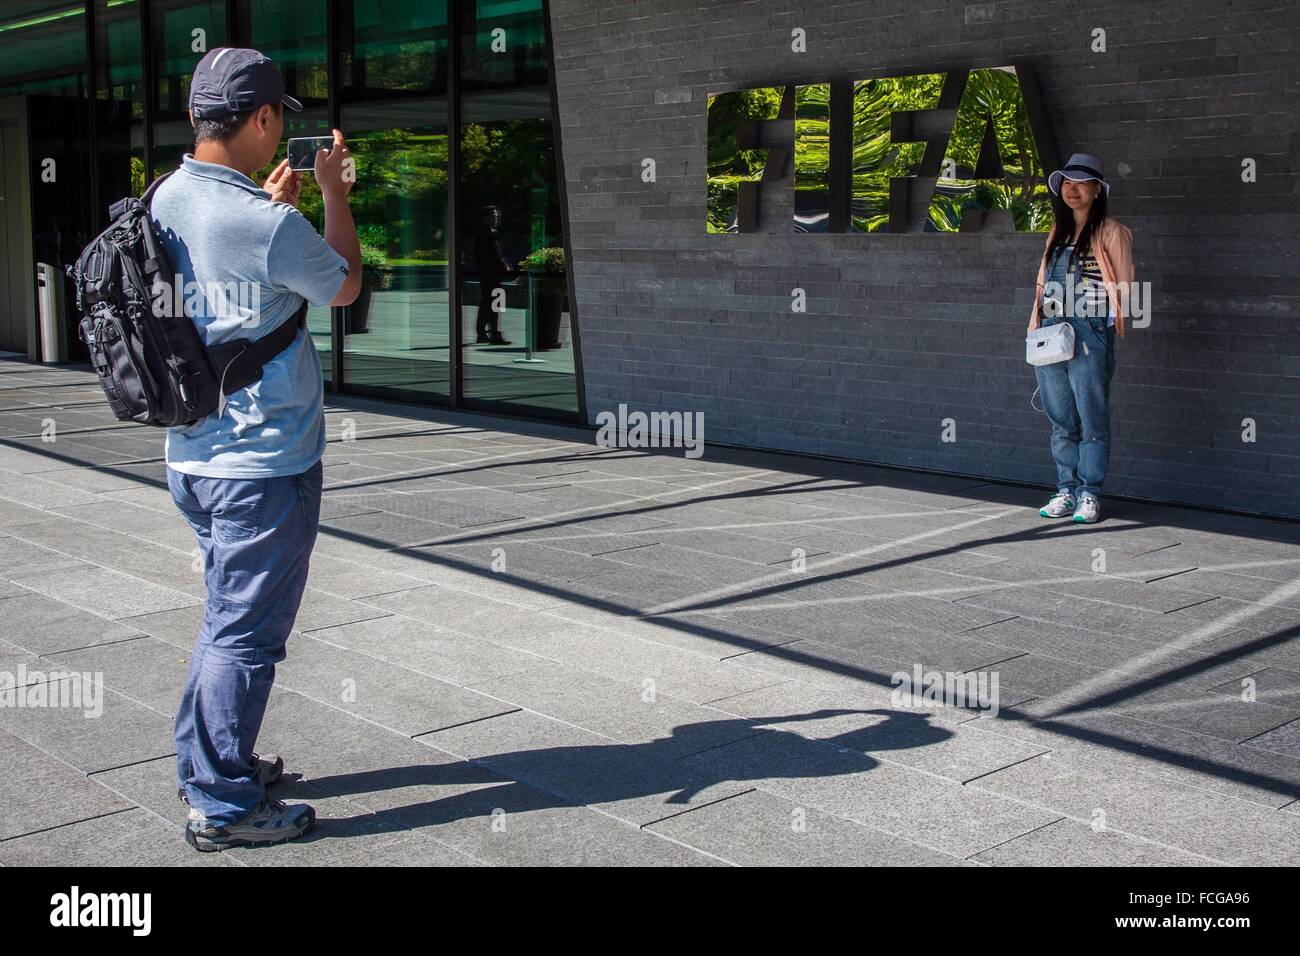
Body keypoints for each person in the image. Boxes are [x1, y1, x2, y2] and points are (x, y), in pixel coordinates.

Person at [149, 47, 361, 851]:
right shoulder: (263, 221)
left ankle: (212, 763)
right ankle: (222, 804)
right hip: (260, 464)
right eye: (281, 122)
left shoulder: (165, 198)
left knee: (223, 619)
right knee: (245, 635)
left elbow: (217, 285)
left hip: (190, 457)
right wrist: (334, 195)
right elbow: (344, 283)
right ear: (265, 118)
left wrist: (273, 210)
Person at [1027, 152, 1135, 525]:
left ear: (1096, 190)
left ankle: (1090, 493)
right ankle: (1066, 490)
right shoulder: (1056, 232)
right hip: (1051, 331)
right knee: (1060, 419)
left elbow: (1123, 288)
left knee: (1092, 419)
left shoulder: (1112, 232)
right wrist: (1036, 325)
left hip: (1089, 334)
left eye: (1080, 183)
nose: (1072, 190)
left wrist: (1100, 325)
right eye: (1067, 184)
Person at [473, 204, 512, 345]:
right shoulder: (487, 235)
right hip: (491, 275)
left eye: (496, 216)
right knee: (493, 303)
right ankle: (492, 333)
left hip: (490, 274)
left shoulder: (489, 233)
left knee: (489, 303)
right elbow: (493, 255)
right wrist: (504, 265)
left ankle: (485, 332)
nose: (495, 219)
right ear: (485, 218)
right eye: (492, 216)